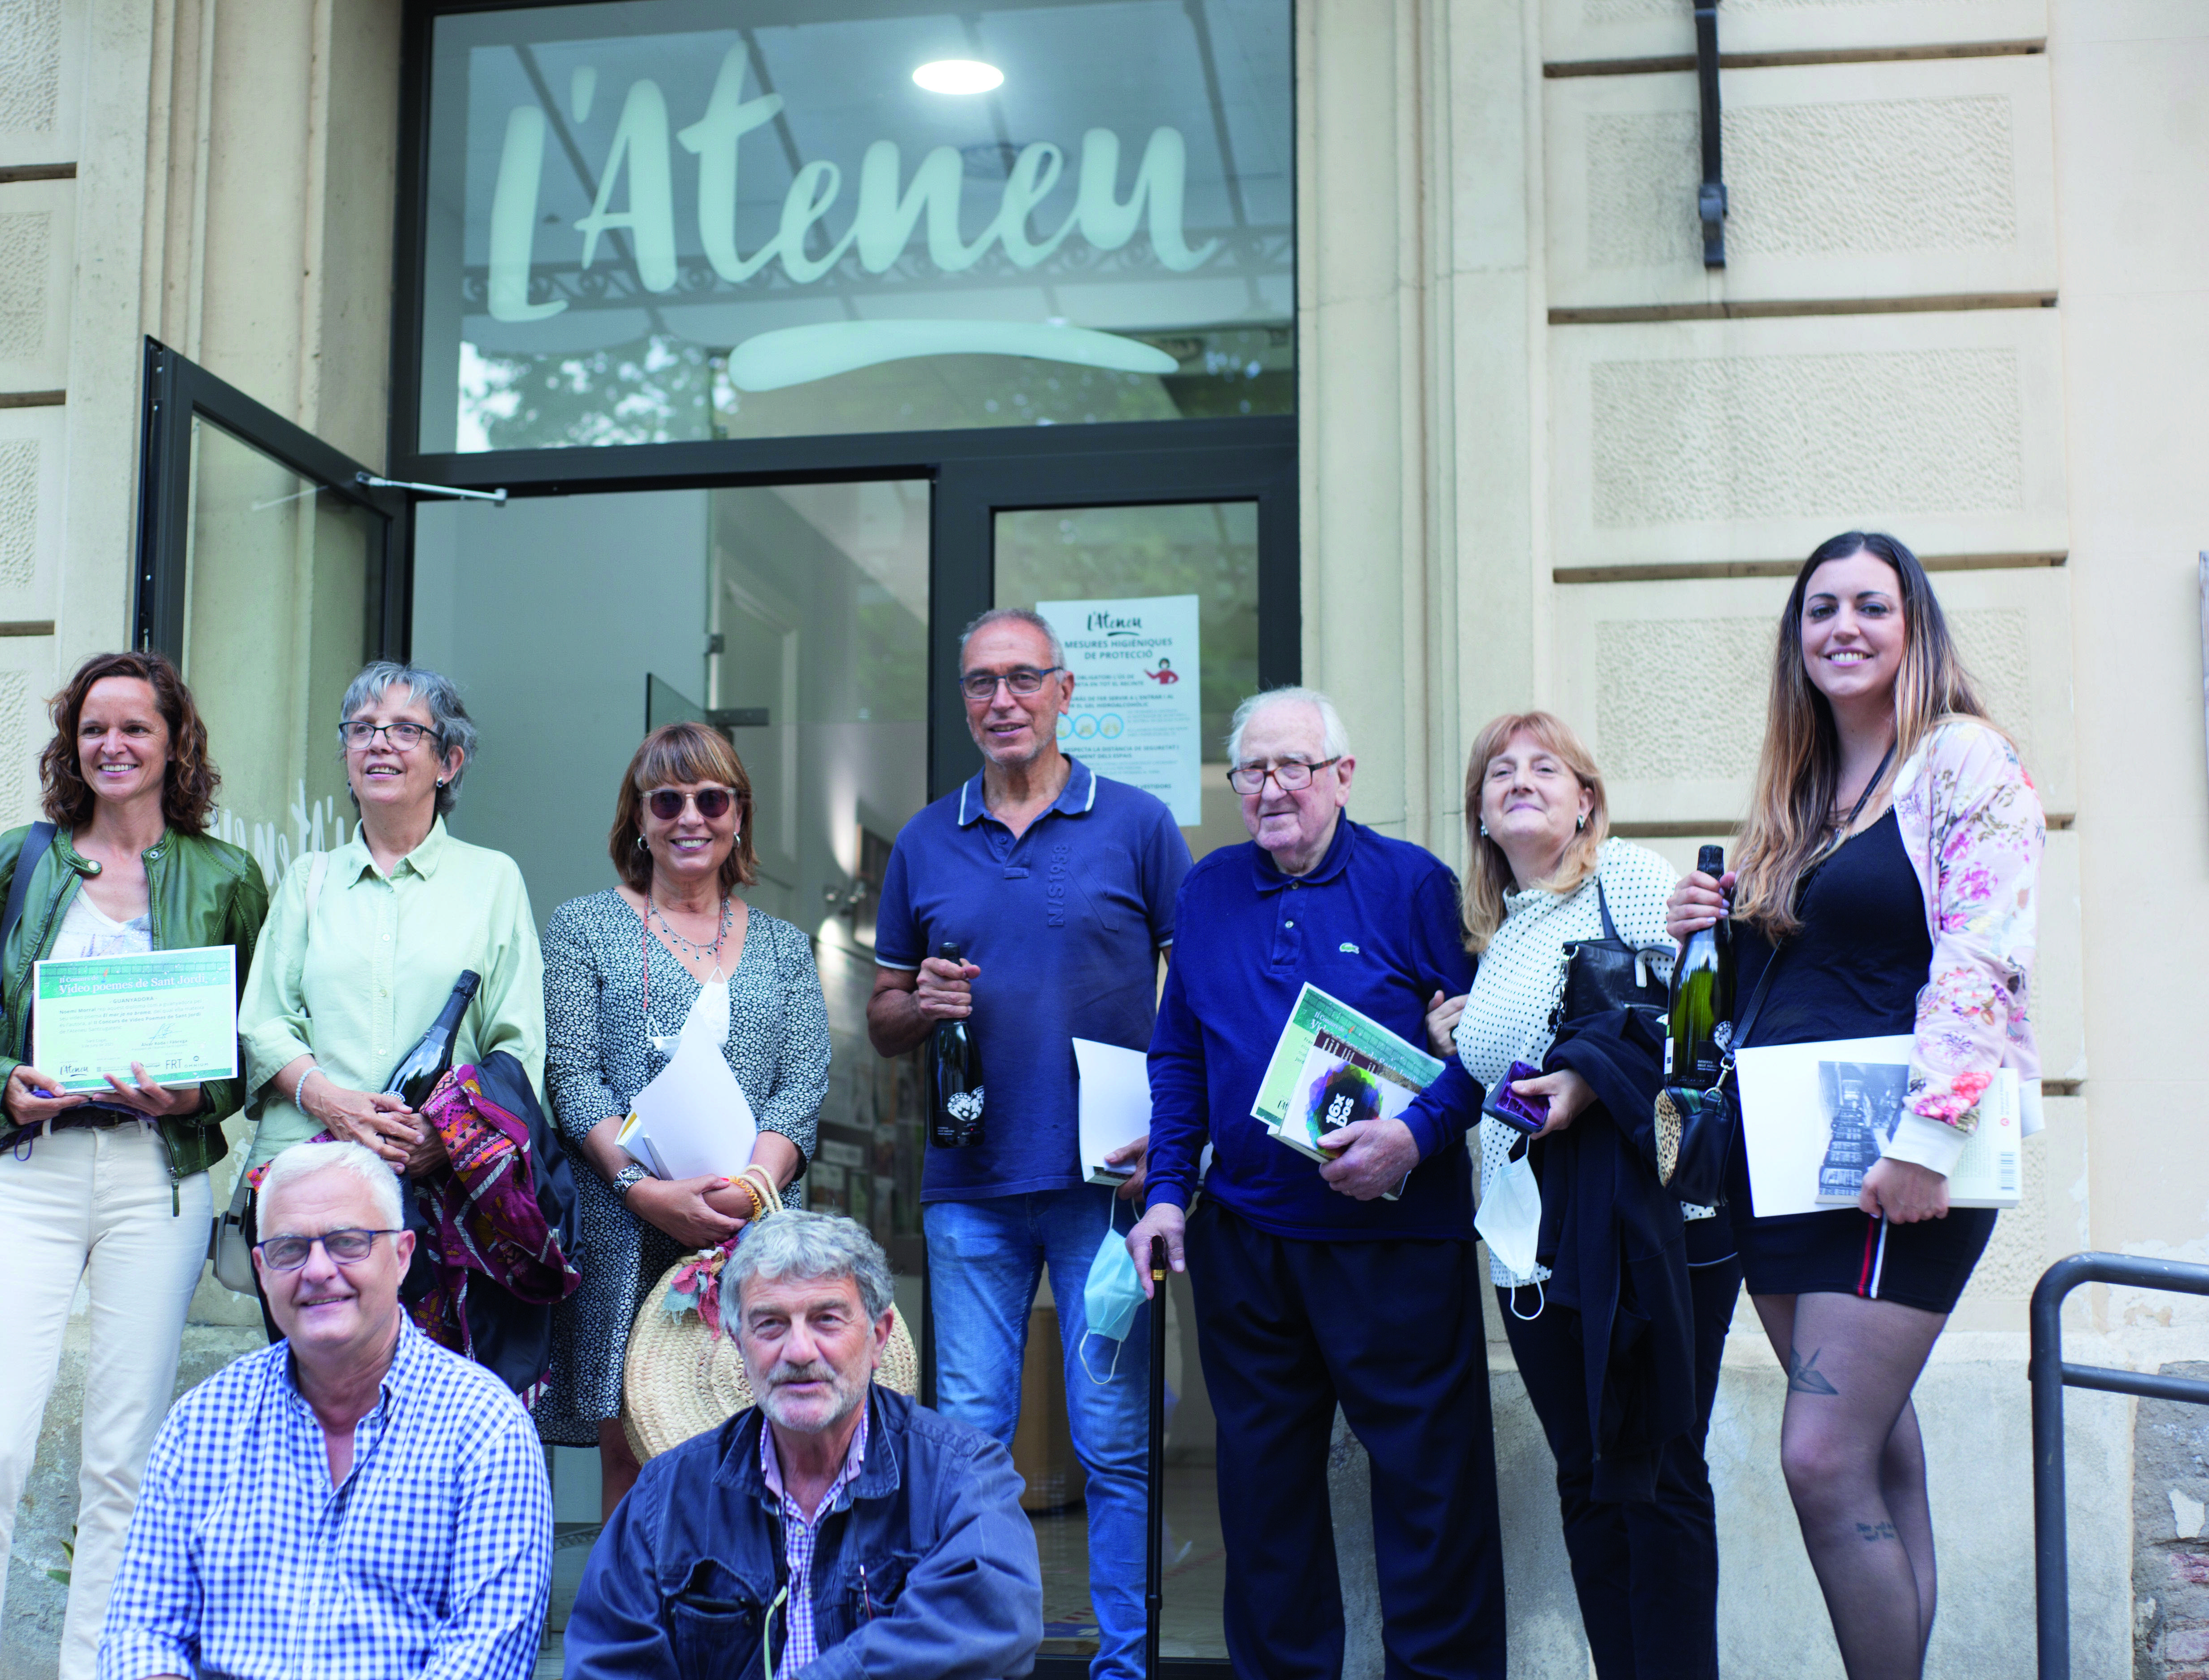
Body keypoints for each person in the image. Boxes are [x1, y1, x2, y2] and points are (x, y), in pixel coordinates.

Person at [1665, 531, 2042, 1680]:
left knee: (1822, 1456)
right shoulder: (1798, 794)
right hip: (1782, 1157)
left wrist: (1930, 1139)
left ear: (1913, 626)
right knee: (1872, 1445)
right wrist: (1704, 926)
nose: (1842, 626)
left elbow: (1982, 953)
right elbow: (1784, 980)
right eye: (1819, 607)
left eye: (1870, 606)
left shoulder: (1963, 760)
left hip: (1899, 1157)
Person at [1127, 685, 1504, 1680]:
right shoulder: (1205, 891)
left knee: (1433, 1496)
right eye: (1253, 769)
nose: (1271, 788)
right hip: (1248, 1246)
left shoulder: (1417, 886)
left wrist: (1415, 1139)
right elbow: (1178, 1057)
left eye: (1294, 766)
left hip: (1396, 1246)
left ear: (1342, 776)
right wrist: (1168, 1191)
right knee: (1264, 1504)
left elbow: (1486, 1049)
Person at [0, 650, 267, 1680]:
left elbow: (252, 1039)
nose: (111, 745)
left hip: (157, 1177)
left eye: (134, 727)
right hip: (31, 1166)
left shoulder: (227, 875)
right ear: (72, 743)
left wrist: (200, 1092)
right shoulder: (18, 859)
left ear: (174, 743)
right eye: (92, 727)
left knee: (125, 1459)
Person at [865, 607, 1190, 1680]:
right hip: (970, 1183)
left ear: (1062, 692)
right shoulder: (924, 838)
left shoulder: (1136, 823)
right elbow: (881, 1015)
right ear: (964, 701)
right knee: (967, 1437)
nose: (999, 700)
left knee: (1113, 1442)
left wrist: (1175, 1136)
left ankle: (1125, 1662)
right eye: (979, 683)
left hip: (1109, 1182)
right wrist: (920, 997)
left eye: (1021, 679)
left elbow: (1195, 993)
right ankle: (979, 1655)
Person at [1424, 711, 1738, 1680]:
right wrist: (1465, 1039)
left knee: (1659, 1472)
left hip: (1654, 1235)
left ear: (1586, 799)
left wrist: (1594, 1079)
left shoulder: (1630, 881)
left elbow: (1704, 1027)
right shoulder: (1505, 934)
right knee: (1587, 1481)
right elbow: (1512, 1078)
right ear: (1479, 815)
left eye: (1545, 768)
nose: (1520, 781)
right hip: (1531, 1246)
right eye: (1499, 773)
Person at [97, 1140, 552, 1680]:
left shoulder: (485, 1428)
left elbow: (485, 1658)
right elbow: (143, 1631)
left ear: (403, 1255)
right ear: (262, 1270)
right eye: (290, 1249)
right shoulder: (203, 1422)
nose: (318, 1271)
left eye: (347, 1243)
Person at [539, 722, 829, 1503]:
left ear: (739, 814)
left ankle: (747, 1621)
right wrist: (644, 1187)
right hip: (625, 1222)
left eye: (710, 797)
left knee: (766, 1436)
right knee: (633, 1445)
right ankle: (640, 1622)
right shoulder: (583, 928)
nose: (689, 816)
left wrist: (750, 1190)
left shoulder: (785, 946)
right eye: (666, 799)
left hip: (760, 1227)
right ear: (638, 816)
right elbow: (573, 1075)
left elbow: (801, 1082)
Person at [560, 1210, 1042, 1680]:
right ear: (737, 1343)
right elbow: (609, 1659)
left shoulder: (960, 1472)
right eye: (769, 1324)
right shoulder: (665, 1496)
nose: (799, 1352)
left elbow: (999, 1615)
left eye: (827, 1320)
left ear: (878, 1338)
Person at [237, 661, 550, 1326]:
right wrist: (334, 1104)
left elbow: (517, 1044)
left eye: (406, 730)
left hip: (437, 1191)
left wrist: (448, 1136)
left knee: (426, 1404)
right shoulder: (308, 880)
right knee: (307, 1393)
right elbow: (262, 1024)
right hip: (305, 1191)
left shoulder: (492, 880)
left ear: (449, 761)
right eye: (363, 730)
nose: (379, 744)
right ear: (348, 758)